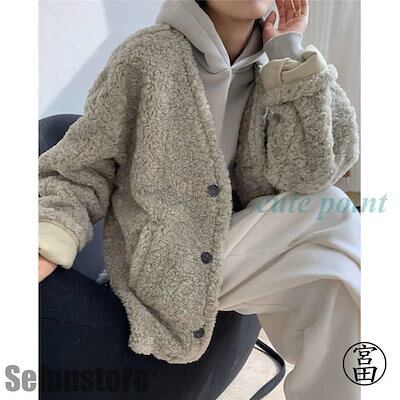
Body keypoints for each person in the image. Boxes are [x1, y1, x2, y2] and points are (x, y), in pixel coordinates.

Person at [38, 0, 360, 399]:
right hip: (165, 262)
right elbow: (81, 165)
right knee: (335, 219)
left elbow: (309, 175)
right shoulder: (147, 57)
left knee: (341, 286)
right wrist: (48, 239)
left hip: (235, 249)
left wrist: (289, 54)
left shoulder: (275, 70)